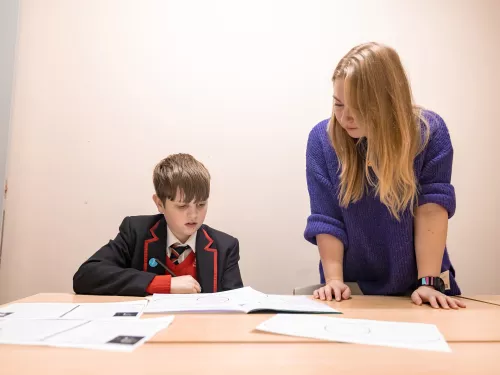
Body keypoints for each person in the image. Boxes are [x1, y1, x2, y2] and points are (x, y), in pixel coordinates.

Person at [304, 42, 465, 309]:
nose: (346, 117)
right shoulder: (322, 140)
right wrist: (333, 281)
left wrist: (428, 281)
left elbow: (432, 210)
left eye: (358, 106)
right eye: (338, 104)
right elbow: (327, 218)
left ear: (388, 101)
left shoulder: (428, 133)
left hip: (421, 285)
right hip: (351, 290)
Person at [73, 153, 243, 296]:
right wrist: (163, 284)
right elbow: (85, 276)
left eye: (201, 204)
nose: (193, 215)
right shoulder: (136, 232)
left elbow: (236, 305)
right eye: (182, 206)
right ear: (160, 204)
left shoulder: (225, 246)